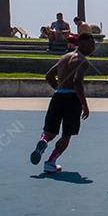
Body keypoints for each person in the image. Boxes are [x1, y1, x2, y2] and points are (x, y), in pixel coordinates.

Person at [29, 33, 95, 173]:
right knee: (67, 134)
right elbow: (77, 82)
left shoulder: (64, 57)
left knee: (49, 130)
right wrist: (85, 104)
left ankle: (44, 141)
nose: (93, 47)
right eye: (91, 44)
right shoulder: (83, 61)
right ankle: (51, 162)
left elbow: (49, 76)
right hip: (72, 100)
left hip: (58, 97)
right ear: (82, 44)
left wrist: (59, 88)